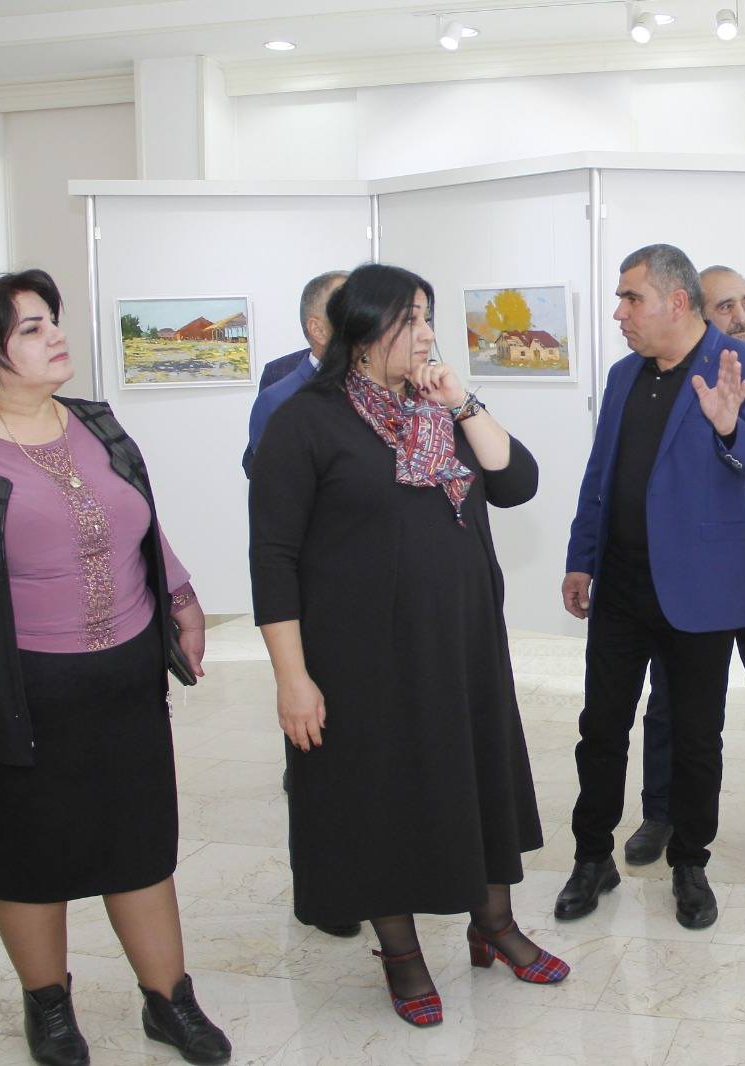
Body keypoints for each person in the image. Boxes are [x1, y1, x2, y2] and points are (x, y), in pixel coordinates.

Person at [0, 270, 231, 1066]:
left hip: (123, 683)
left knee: (140, 847)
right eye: (31, 329)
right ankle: (50, 1009)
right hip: (11, 692)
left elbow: (139, 522)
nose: (55, 335)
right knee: (26, 859)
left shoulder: (99, 424)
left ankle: (169, 1002)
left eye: (51, 320)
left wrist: (180, 596)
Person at [248, 263, 568, 1030]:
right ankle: (400, 953)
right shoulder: (307, 419)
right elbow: (273, 558)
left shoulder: (439, 409)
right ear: (362, 331)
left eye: (428, 316)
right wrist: (292, 677)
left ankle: (494, 925)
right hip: (360, 655)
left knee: (475, 777)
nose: (426, 333)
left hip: (461, 641)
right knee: (380, 794)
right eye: (409, 319)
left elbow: (516, 482)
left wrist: (461, 401)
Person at [555, 244, 745, 930]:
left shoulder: (744, 367)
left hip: (702, 588)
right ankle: (591, 858)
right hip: (622, 585)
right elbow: (601, 475)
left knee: (696, 738)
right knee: (601, 728)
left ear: (677, 301)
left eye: (631, 298)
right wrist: (581, 557)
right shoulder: (624, 375)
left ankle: (690, 865)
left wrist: (730, 428)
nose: (620, 313)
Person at [624, 265, 745, 876]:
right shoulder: (670, 379)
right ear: (694, 312)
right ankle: (660, 813)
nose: (741, 317)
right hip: (696, 566)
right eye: (725, 306)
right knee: (670, 699)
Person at [240, 268, 359, 941]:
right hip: (313, 599)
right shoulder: (283, 396)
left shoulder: (387, 389)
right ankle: (327, 896)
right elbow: (273, 507)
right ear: (318, 328)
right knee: (316, 747)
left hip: (365, 597)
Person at [242, 270, 348, 477]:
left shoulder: (386, 384)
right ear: (318, 330)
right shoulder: (279, 381)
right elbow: (259, 467)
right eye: (350, 312)